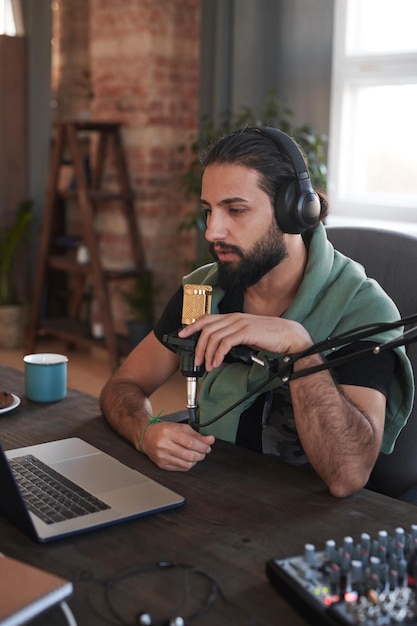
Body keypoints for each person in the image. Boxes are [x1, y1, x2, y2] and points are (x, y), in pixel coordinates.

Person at [100, 126, 414, 498]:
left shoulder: (362, 311)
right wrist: (145, 430)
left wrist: (300, 348)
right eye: (208, 210)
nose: (212, 231)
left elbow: (347, 475)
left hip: (309, 520)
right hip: (215, 494)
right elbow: (122, 387)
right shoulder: (202, 292)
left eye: (235, 210)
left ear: (293, 211)